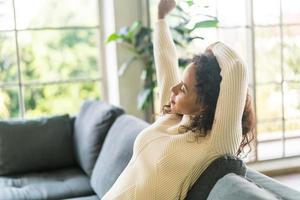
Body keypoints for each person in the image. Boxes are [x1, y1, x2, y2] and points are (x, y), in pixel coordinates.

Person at [101, 0, 255, 199]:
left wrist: (213, 48)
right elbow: (165, 62)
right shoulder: (173, 117)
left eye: (183, 88)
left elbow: (236, 68)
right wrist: (160, 17)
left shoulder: (215, 142)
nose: (173, 88)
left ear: (205, 102)